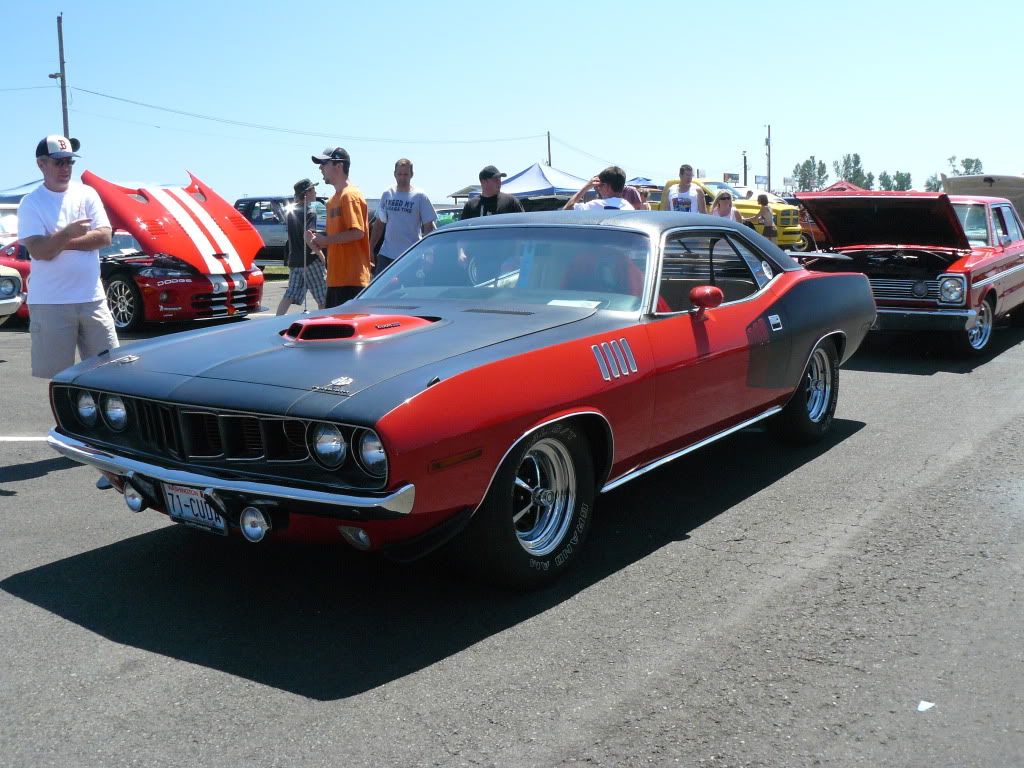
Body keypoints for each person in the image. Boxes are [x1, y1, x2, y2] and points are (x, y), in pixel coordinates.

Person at [17, 135, 118, 378]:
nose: (66, 168)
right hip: (50, 303)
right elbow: (39, 252)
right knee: (57, 377)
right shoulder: (31, 203)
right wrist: (68, 233)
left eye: (69, 162)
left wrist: (59, 239)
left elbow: (104, 237)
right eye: (59, 162)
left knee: (110, 372)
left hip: (92, 299)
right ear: (41, 164)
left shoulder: (87, 194)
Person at [307, 147, 371, 307]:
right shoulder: (331, 201)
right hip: (335, 280)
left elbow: (357, 233)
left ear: (338, 165)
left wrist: (326, 239)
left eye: (324, 163)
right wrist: (317, 239)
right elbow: (335, 237)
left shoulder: (350, 195)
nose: (320, 168)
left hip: (352, 281)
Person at [370, 158, 437, 275]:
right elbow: (379, 224)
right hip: (387, 255)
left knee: (412, 291)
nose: (402, 178)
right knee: (382, 292)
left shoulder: (420, 196)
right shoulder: (387, 194)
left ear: (411, 175)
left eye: (405, 174)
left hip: (411, 256)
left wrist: (428, 253)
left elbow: (428, 227)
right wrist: (370, 248)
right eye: (399, 174)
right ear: (394, 174)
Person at [276, 178, 327, 315]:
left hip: (295, 261)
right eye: (312, 189)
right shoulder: (310, 211)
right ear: (306, 193)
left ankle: (276, 321)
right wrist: (321, 256)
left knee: (290, 294)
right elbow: (307, 236)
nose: (315, 192)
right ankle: (324, 325)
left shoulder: (291, 213)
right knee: (323, 297)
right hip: (310, 261)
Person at [460, 166, 524, 218]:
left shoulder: (511, 202)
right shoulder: (470, 206)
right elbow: (463, 231)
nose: (499, 182)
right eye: (496, 179)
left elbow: (523, 226)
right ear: (483, 182)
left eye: (499, 179)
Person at [563, 166, 635, 210]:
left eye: (599, 185)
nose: (598, 188)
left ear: (607, 187)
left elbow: (566, 209)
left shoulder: (596, 205)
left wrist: (586, 187)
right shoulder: (629, 208)